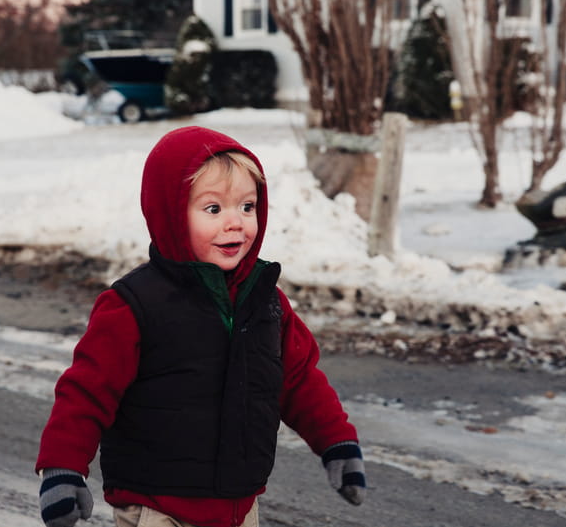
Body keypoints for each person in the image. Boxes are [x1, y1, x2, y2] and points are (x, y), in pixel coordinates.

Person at [36, 126, 366, 527]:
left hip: (240, 507)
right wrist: (63, 467)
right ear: (171, 214)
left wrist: (337, 442)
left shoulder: (265, 301)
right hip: (156, 507)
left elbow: (298, 379)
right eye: (214, 209)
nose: (236, 223)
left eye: (247, 207)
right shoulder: (133, 306)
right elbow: (87, 392)